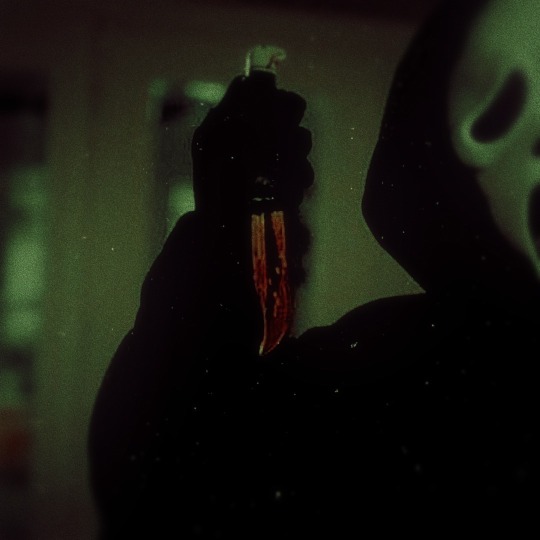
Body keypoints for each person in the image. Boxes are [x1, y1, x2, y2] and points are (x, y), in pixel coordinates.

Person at [88, 1, 537, 537]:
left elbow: (166, 478)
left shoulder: (430, 366)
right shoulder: (431, 355)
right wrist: (228, 218)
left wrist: (225, 216)